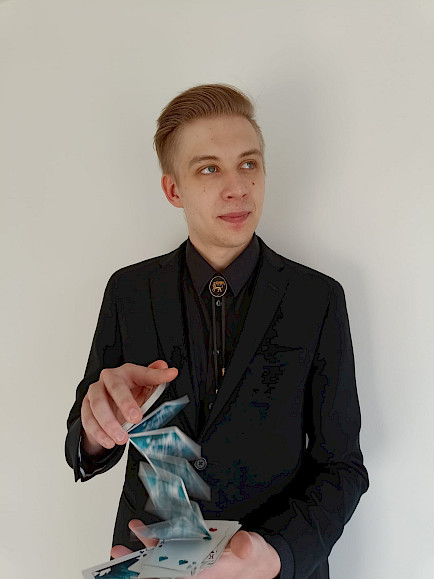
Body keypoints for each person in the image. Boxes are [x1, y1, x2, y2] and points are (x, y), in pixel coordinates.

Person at [65, 84, 369, 578]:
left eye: (248, 164)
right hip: (153, 564)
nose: (238, 187)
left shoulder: (318, 299)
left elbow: (342, 467)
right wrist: (97, 431)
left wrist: (273, 553)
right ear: (174, 190)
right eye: (209, 169)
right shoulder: (128, 291)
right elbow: (82, 441)